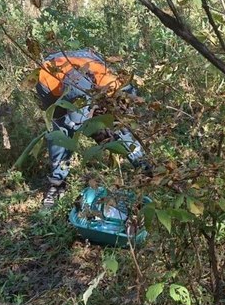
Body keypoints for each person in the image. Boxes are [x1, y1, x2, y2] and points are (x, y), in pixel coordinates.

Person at [35, 48, 149, 207]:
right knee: (60, 134)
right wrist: (92, 129)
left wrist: (119, 120)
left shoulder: (111, 84)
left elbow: (128, 99)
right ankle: (57, 183)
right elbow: (74, 121)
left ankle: (144, 167)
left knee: (120, 128)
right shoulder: (50, 82)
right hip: (50, 87)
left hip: (84, 71)